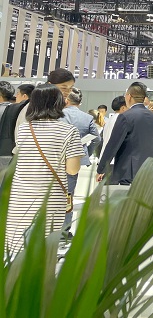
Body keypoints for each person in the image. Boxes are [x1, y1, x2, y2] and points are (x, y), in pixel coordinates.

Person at [5, 84, 83, 255]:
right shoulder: (69, 131)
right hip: (50, 198)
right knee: (44, 251)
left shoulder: (23, 128)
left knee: (17, 250)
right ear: (59, 103)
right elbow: (72, 169)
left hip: (20, 198)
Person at [96, 82, 153, 185]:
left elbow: (113, 144)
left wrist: (101, 169)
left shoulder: (125, 117)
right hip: (148, 170)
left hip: (127, 171)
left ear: (129, 96)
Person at [60, 87, 101, 236]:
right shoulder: (87, 118)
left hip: (56, 158)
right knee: (69, 195)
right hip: (75, 160)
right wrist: (85, 152)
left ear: (66, 100)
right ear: (80, 102)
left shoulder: (57, 115)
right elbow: (97, 139)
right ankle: (65, 231)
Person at [99, 96, 128, 170]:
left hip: (106, 159)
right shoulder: (121, 120)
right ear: (123, 108)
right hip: (113, 161)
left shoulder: (109, 120)